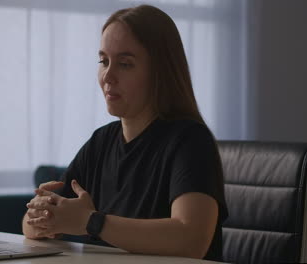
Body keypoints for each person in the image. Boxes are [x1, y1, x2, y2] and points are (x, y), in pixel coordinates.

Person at [22, 4, 228, 261]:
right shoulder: (101, 141)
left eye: (125, 64)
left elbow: (191, 239)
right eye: (103, 61)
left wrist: (91, 222)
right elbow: (30, 227)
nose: (108, 76)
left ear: (160, 72)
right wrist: (40, 214)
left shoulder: (191, 141)